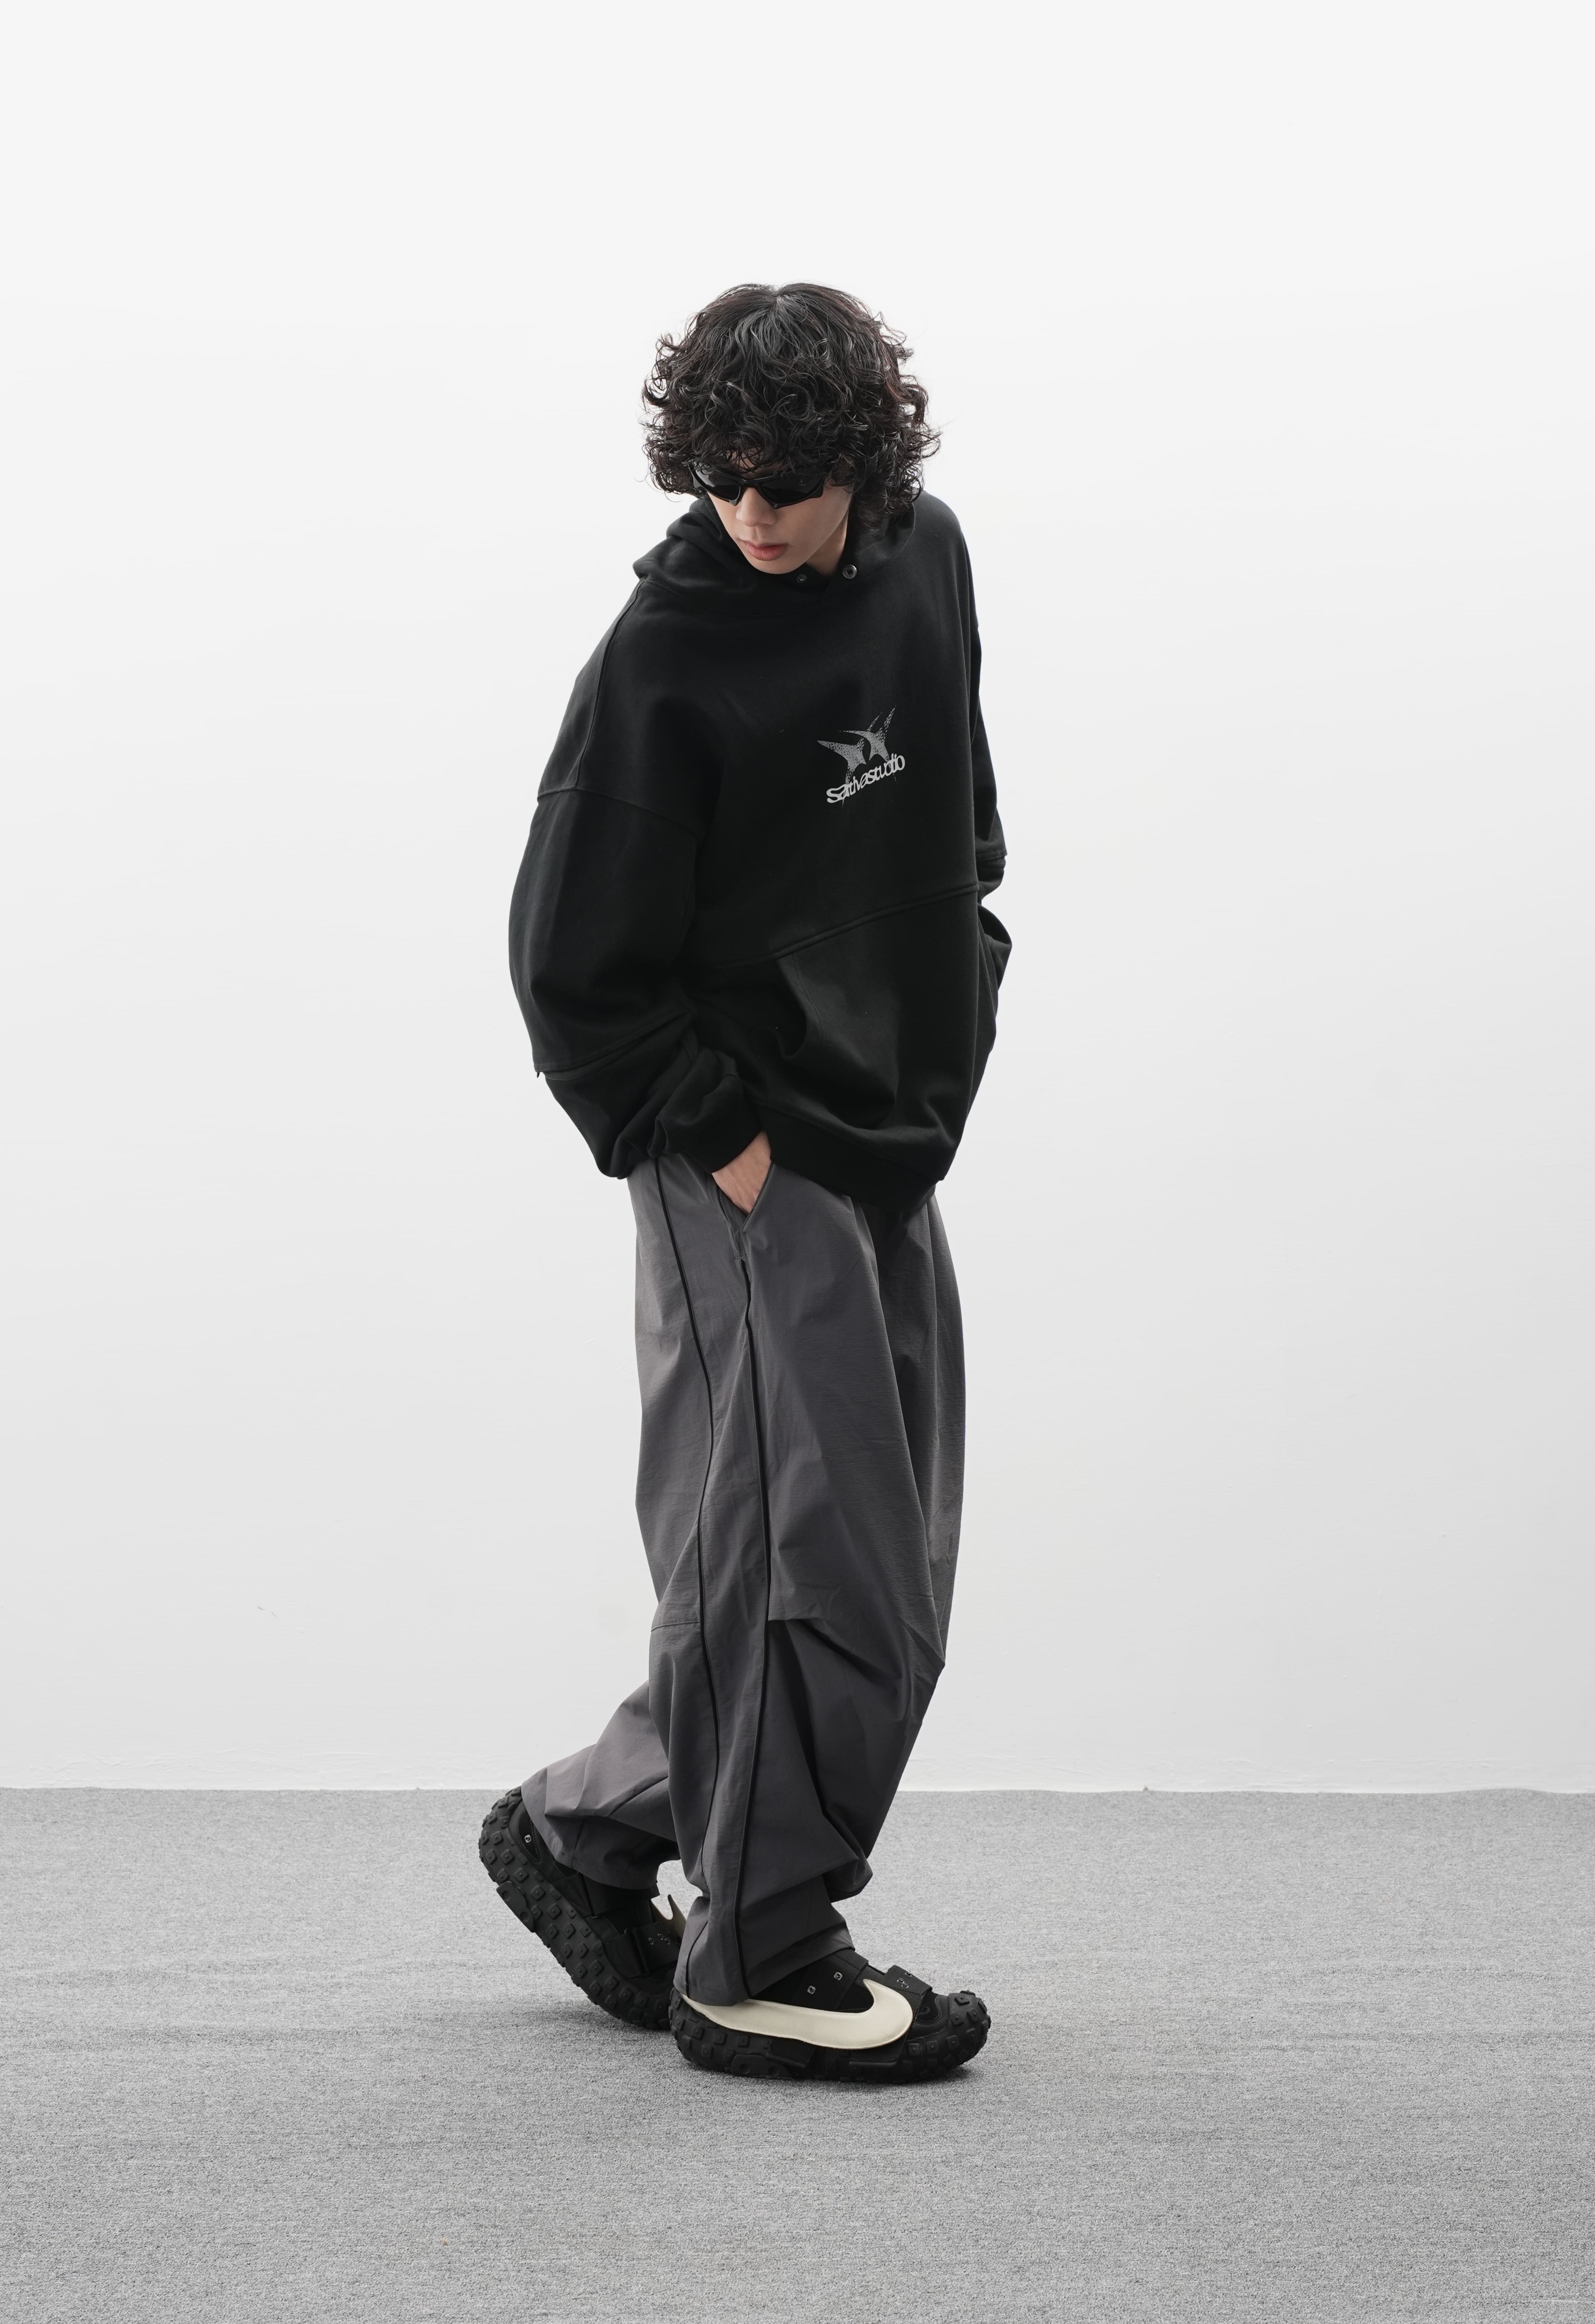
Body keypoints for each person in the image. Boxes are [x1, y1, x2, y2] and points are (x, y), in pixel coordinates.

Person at [478, 283, 1010, 2083]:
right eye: (721, 479)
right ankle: (761, 1948)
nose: (753, 514)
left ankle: (594, 1823)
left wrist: (954, 1008)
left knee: (881, 1561)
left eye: (788, 482)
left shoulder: (928, 566)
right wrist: (738, 1147)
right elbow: (571, 971)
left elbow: (956, 820)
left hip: (886, 1133)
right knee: (808, 1561)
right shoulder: (664, 659)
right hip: (740, 1153)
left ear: (868, 466)